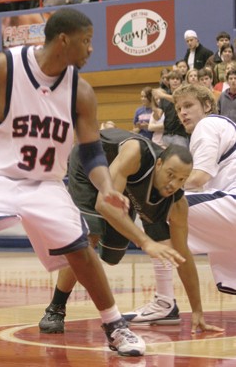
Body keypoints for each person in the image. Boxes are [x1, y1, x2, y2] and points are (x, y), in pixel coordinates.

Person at [0, 8, 147, 367]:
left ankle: (115, 326)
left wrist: (105, 187)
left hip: (41, 181)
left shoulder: (80, 92)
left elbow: (90, 152)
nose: (90, 50)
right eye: (86, 41)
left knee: (80, 248)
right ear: (64, 40)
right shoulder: (3, 67)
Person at [38, 127, 222, 334]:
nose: (173, 184)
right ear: (159, 164)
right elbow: (104, 205)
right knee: (89, 237)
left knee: (111, 256)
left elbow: (183, 257)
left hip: (121, 180)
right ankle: (56, 308)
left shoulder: (177, 204)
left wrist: (197, 310)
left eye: (181, 179)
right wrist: (145, 241)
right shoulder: (136, 152)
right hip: (88, 163)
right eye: (170, 175)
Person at [127, 83, 236, 323]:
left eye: (188, 105)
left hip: (232, 205)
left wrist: (157, 185)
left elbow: (199, 177)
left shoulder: (207, 125)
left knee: (156, 203)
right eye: (178, 108)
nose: (182, 112)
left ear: (207, 105)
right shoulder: (222, 127)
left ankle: (164, 301)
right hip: (227, 208)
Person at [152, 71, 189, 148]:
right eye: (172, 79)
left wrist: (162, 95)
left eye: (177, 79)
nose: (175, 81)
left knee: (181, 158)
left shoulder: (184, 93)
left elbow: (178, 100)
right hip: (166, 135)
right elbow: (158, 116)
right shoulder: (164, 96)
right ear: (168, 81)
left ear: (181, 82)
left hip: (180, 135)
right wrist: (154, 107)